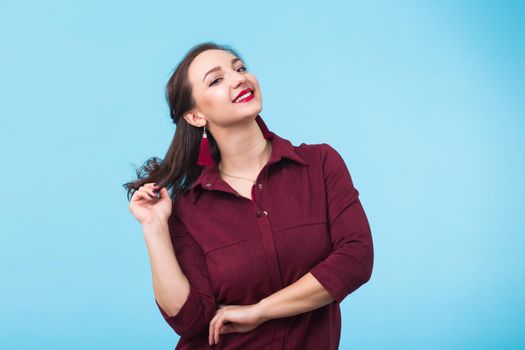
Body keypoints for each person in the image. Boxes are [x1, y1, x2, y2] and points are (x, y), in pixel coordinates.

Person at [123, 42, 374, 349]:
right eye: (216, 80)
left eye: (239, 68)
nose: (238, 78)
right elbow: (189, 320)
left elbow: (356, 260)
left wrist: (261, 311)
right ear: (196, 116)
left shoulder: (319, 164)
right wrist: (154, 227)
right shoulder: (189, 208)